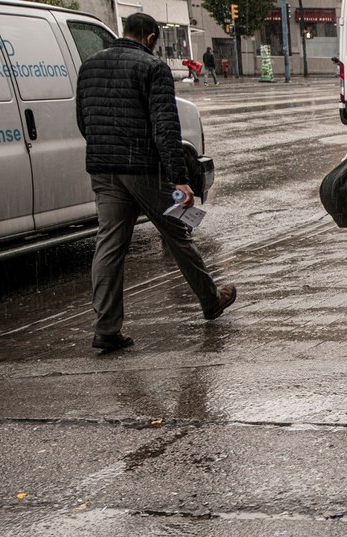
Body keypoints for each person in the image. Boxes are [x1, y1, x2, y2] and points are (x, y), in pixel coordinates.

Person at [76, 12, 236, 353]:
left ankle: (106, 328)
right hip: (144, 169)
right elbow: (166, 129)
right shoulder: (153, 67)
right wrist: (181, 179)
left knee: (109, 244)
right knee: (178, 233)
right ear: (151, 38)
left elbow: (83, 119)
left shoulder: (89, 66)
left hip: (103, 168)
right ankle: (211, 301)